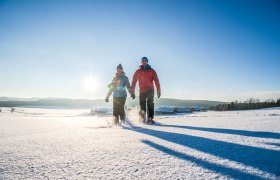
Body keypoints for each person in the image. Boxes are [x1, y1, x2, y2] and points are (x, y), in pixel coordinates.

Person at [130, 57, 161, 124]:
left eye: (145, 60)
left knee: (150, 104)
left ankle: (150, 118)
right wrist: (132, 91)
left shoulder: (152, 70)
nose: (144, 61)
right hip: (142, 91)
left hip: (150, 90)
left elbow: (156, 80)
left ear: (147, 62)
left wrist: (158, 90)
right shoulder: (138, 71)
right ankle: (142, 118)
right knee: (142, 105)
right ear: (141, 62)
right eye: (143, 60)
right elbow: (134, 81)